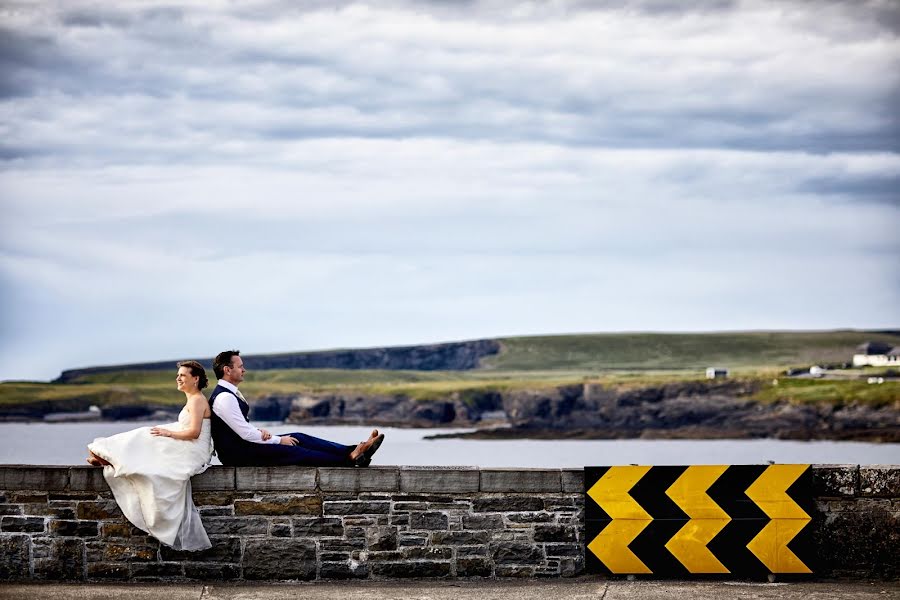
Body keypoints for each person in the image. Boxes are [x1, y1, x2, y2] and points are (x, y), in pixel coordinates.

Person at [86, 360, 214, 551]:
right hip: (188, 442)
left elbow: (194, 432)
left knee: (147, 436)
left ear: (195, 379)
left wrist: (169, 433)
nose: (178, 378)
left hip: (194, 449)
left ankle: (111, 459)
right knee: (146, 435)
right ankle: (110, 457)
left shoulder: (197, 400)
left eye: (182, 375)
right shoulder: (193, 398)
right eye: (178, 375)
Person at [209, 349, 384, 467]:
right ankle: (349, 459)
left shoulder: (229, 394)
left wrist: (260, 431)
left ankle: (355, 449)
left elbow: (241, 427)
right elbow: (245, 434)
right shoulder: (225, 398)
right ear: (227, 370)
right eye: (240, 367)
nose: (244, 370)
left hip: (245, 447)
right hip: (238, 455)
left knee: (299, 438)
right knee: (294, 450)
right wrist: (278, 440)